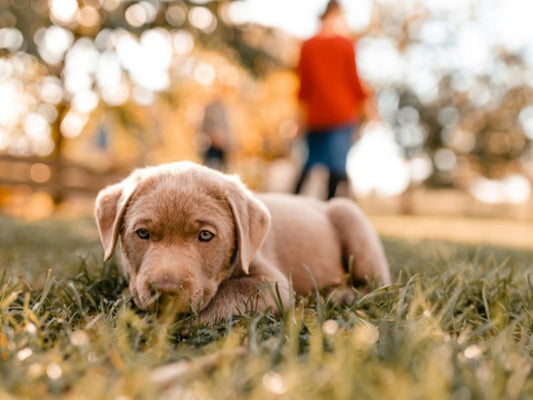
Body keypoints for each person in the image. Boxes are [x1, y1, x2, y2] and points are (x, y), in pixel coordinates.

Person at [294, 0, 376, 199]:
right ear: (338, 16)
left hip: (316, 117)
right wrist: (371, 114)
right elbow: (356, 85)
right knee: (337, 165)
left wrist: (298, 120)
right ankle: (329, 210)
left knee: (310, 162)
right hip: (341, 115)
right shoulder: (346, 45)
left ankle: (291, 203)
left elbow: (303, 90)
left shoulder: (307, 46)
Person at [198, 96, 233, 171]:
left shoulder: (225, 108)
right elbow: (202, 129)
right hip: (211, 149)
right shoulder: (207, 108)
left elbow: (228, 129)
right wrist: (213, 137)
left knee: (222, 172)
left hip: (222, 148)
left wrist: (226, 141)